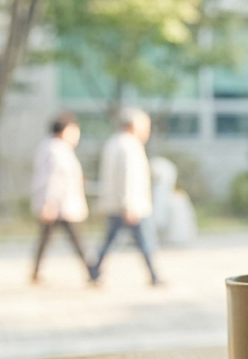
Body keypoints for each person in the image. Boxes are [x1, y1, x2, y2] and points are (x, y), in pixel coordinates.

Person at [89, 107, 162, 286]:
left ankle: (95, 269)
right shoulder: (129, 146)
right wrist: (129, 205)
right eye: (145, 127)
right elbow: (128, 177)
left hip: (117, 202)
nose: (147, 131)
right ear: (133, 126)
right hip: (131, 205)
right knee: (145, 241)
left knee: (110, 240)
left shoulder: (114, 142)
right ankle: (153, 275)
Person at [29, 113, 90, 283]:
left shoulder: (54, 148)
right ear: (65, 130)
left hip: (60, 203)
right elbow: (53, 178)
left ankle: (36, 271)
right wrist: (50, 202)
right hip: (60, 205)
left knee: (46, 240)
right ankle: (92, 272)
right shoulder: (55, 150)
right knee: (76, 241)